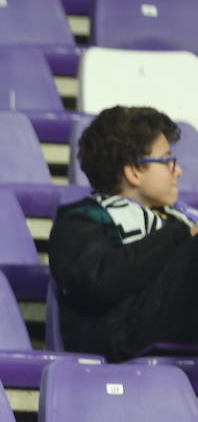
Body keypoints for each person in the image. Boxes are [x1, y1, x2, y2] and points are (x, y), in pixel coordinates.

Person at [49, 105, 198, 362]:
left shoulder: (181, 216)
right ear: (134, 171)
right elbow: (101, 282)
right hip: (122, 333)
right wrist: (181, 237)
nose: (178, 171)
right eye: (167, 161)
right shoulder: (79, 220)